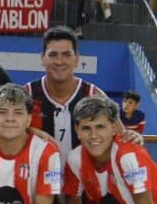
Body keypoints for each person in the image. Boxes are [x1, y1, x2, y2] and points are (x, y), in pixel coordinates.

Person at [24, 27, 104, 157]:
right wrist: (30, 130)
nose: (59, 61)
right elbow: (2, 128)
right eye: (53, 55)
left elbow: (117, 134)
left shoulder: (93, 95)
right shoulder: (27, 95)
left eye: (66, 55)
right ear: (43, 58)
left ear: (77, 59)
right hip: (36, 175)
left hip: (83, 176)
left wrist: (131, 136)